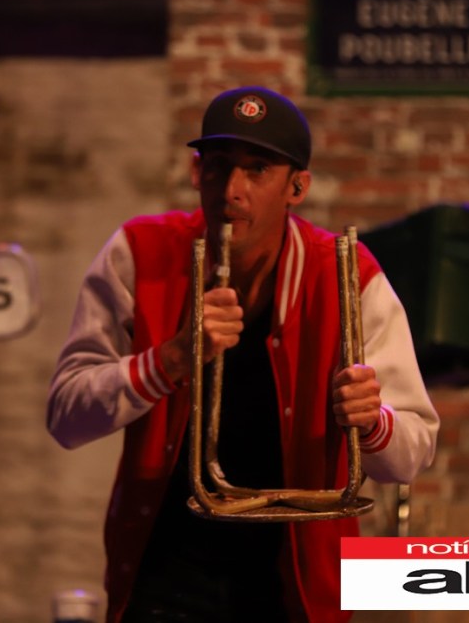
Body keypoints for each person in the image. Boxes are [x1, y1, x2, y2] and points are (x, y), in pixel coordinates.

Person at [47, 85, 439, 623]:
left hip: (293, 591)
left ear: (297, 187)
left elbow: (414, 449)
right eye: (218, 166)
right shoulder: (140, 253)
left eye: (257, 170)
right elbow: (66, 415)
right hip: (162, 582)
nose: (232, 190)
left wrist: (372, 422)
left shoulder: (346, 273)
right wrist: (170, 360)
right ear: (196, 173)